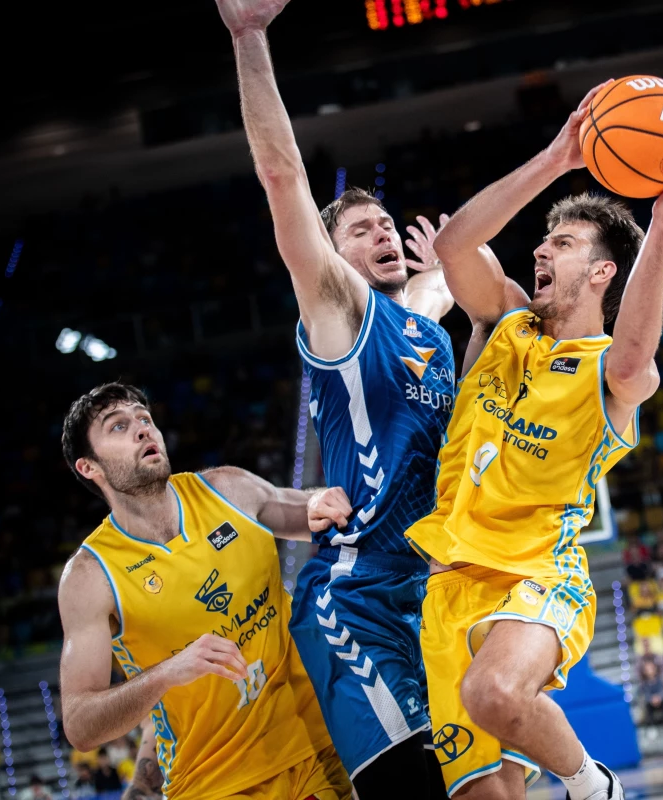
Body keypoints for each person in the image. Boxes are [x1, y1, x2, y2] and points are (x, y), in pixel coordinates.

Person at [404, 81, 663, 798]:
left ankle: (592, 785)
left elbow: (635, 362)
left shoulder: (611, 374)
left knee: (496, 694)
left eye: (563, 243)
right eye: (544, 240)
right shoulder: (508, 320)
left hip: (537, 574)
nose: (542, 249)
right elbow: (454, 245)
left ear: (603, 271)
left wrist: (662, 223)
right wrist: (556, 158)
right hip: (446, 587)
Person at [214, 0, 460, 795]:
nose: (382, 232)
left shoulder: (418, 320)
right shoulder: (337, 310)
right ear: (332, 256)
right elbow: (282, 173)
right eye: (361, 230)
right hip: (355, 599)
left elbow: (442, 286)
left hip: (429, 590)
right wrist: (250, 38)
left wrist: (454, 254)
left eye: (387, 223)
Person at [56, 383, 350, 800]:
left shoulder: (227, 490)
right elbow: (81, 725)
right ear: (89, 467)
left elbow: (308, 509)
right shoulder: (90, 576)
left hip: (320, 745)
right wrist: (168, 673)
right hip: (214, 783)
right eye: (118, 427)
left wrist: (320, 497)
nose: (143, 430)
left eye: (144, 419)